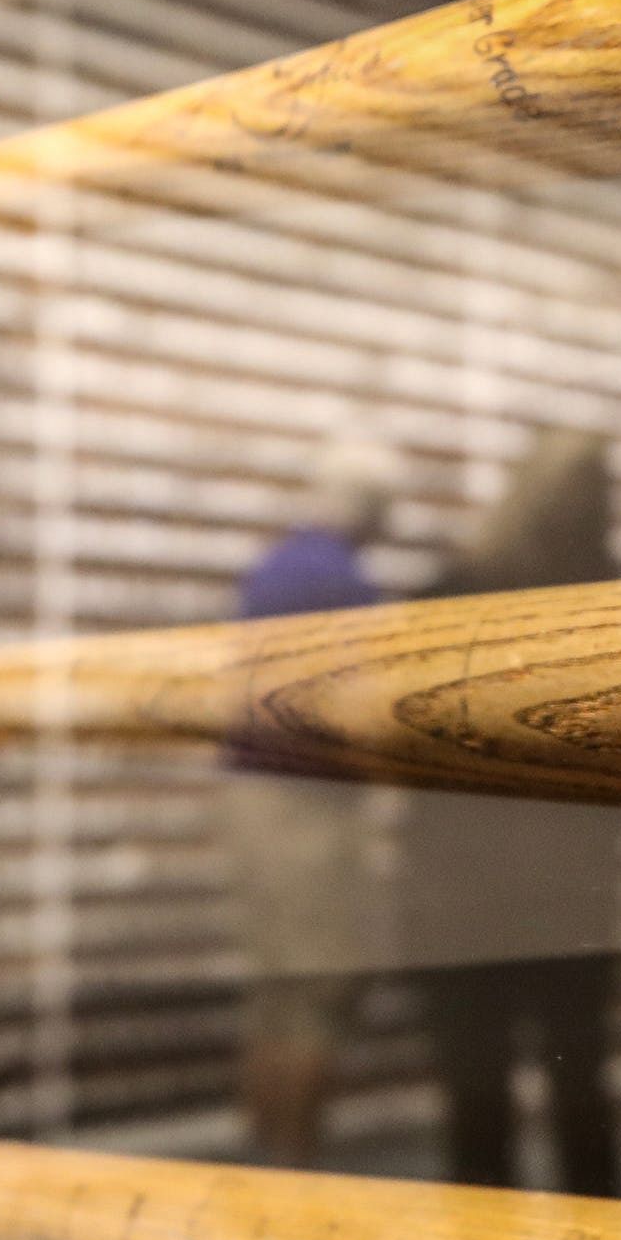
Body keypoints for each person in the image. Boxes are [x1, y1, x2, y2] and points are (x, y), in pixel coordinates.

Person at [398, 429, 621, 1197]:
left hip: (472, 891)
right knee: (571, 1090)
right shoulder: (610, 606)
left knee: (483, 1099)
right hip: (557, 890)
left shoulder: (457, 594)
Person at [223, 431, 405, 1166]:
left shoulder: (271, 570)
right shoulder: (345, 587)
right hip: (310, 811)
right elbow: (364, 715)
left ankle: (268, 1159)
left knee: (278, 987)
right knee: (320, 988)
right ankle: (297, 1170)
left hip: (255, 804)